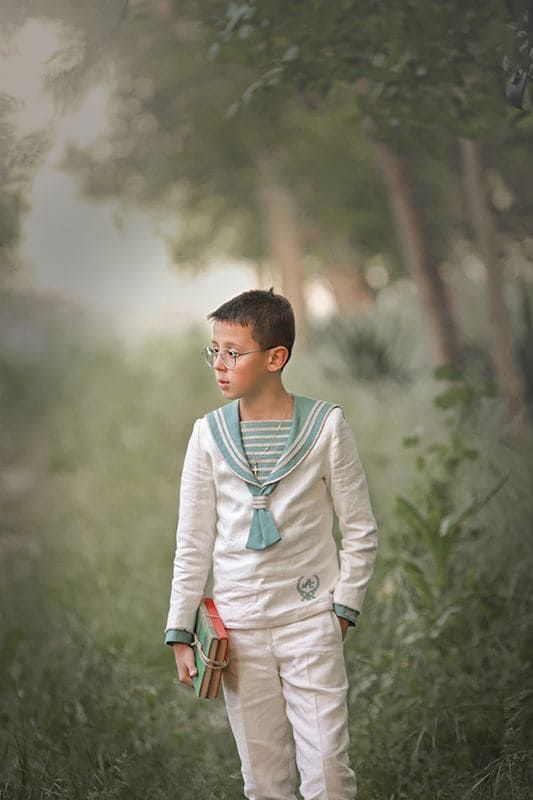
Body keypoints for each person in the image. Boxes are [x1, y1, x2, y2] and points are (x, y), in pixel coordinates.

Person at [165, 287, 378, 800]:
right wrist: (180, 628)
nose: (219, 365)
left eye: (233, 353)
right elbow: (192, 540)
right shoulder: (207, 435)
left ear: (275, 358)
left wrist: (342, 611)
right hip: (239, 630)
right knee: (263, 779)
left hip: (311, 621)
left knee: (329, 771)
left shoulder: (326, 427)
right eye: (214, 351)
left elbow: (360, 529)